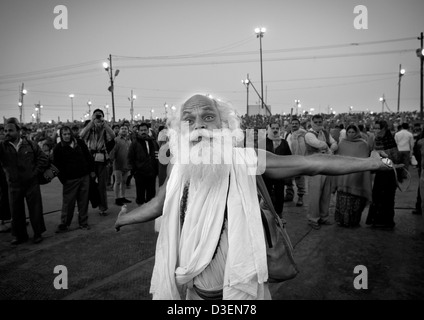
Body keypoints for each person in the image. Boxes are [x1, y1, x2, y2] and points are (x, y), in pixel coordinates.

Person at [114, 94, 392, 300]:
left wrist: (369, 163)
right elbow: (159, 204)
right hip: (191, 279)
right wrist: (124, 219)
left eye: (208, 117)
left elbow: (312, 163)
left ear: (224, 125)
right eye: (190, 120)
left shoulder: (246, 159)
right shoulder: (179, 167)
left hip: (234, 280)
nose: (199, 125)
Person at [0, 118, 49, 244]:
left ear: (18, 131)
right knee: (16, 212)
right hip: (13, 185)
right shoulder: (2, 147)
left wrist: (35, 172)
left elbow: (43, 159)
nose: (7, 133)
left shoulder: (30, 144)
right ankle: (19, 236)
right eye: (5, 131)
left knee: (35, 210)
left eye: (10, 130)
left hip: (31, 183)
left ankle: (38, 234)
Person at [53, 126, 95, 232]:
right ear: (61, 136)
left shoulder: (80, 143)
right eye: (64, 134)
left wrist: (91, 171)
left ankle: (83, 223)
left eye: (68, 134)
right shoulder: (58, 148)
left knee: (83, 202)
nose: (67, 136)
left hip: (84, 177)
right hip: (70, 180)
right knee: (68, 203)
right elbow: (56, 166)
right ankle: (64, 224)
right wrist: (64, 180)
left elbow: (88, 157)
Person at [333, 125, 373, 227]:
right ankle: (341, 221)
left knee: (355, 200)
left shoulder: (362, 144)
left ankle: (353, 222)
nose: (351, 134)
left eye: (353, 132)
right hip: (343, 176)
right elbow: (338, 159)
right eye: (349, 132)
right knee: (343, 198)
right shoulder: (342, 143)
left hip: (356, 176)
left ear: (357, 133)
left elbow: (364, 161)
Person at [304, 114, 338, 229]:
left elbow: (334, 143)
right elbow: (320, 144)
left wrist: (331, 147)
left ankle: (324, 217)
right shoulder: (309, 134)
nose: (318, 124)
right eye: (316, 122)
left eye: (320, 122)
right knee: (315, 194)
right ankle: (313, 219)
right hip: (315, 167)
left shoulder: (325, 133)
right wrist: (330, 149)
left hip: (326, 165)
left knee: (326, 193)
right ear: (312, 122)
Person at [79, 109, 116, 216]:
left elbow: (113, 136)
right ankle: (83, 208)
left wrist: (104, 124)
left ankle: (103, 208)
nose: (98, 119)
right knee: (87, 185)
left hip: (102, 160)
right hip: (90, 159)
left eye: (100, 116)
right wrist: (91, 123)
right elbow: (81, 136)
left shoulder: (105, 128)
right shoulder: (89, 128)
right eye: (96, 116)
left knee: (102, 186)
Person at [366, 120, 400, 229]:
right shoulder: (383, 138)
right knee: (382, 196)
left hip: (387, 173)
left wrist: (381, 159)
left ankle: (382, 221)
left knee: (384, 196)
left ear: (383, 129)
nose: (375, 130)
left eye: (378, 128)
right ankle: (382, 221)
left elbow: (393, 159)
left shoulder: (383, 140)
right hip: (383, 172)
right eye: (374, 128)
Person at [263, 122, 291, 216]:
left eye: (277, 128)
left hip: (280, 174)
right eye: (273, 128)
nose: (275, 130)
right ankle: (268, 215)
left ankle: (279, 214)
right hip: (266, 174)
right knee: (266, 194)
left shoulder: (284, 142)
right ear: (269, 129)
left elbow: (288, 158)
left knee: (279, 195)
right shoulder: (263, 141)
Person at [128, 123, 159, 206]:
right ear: (138, 131)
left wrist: (156, 170)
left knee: (151, 194)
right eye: (141, 130)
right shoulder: (134, 143)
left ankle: (149, 212)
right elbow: (130, 158)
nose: (143, 132)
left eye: (145, 130)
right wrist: (134, 171)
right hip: (139, 173)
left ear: (148, 130)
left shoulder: (153, 142)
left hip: (151, 173)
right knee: (140, 194)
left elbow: (157, 156)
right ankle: (140, 211)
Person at [284, 117, 307, 206]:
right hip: (288, 159)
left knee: (299, 179)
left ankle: (300, 198)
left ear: (299, 125)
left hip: (299, 159)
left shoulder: (303, 134)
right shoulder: (287, 134)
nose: (294, 125)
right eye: (292, 123)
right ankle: (289, 195)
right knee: (288, 179)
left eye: (296, 123)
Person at [109, 124, 132, 206]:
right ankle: (117, 198)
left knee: (124, 181)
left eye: (126, 128)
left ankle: (123, 196)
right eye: (122, 128)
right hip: (118, 164)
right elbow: (112, 152)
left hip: (127, 164)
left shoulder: (129, 140)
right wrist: (111, 161)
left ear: (128, 130)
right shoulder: (116, 140)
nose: (124, 130)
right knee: (117, 181)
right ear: (119, 130)